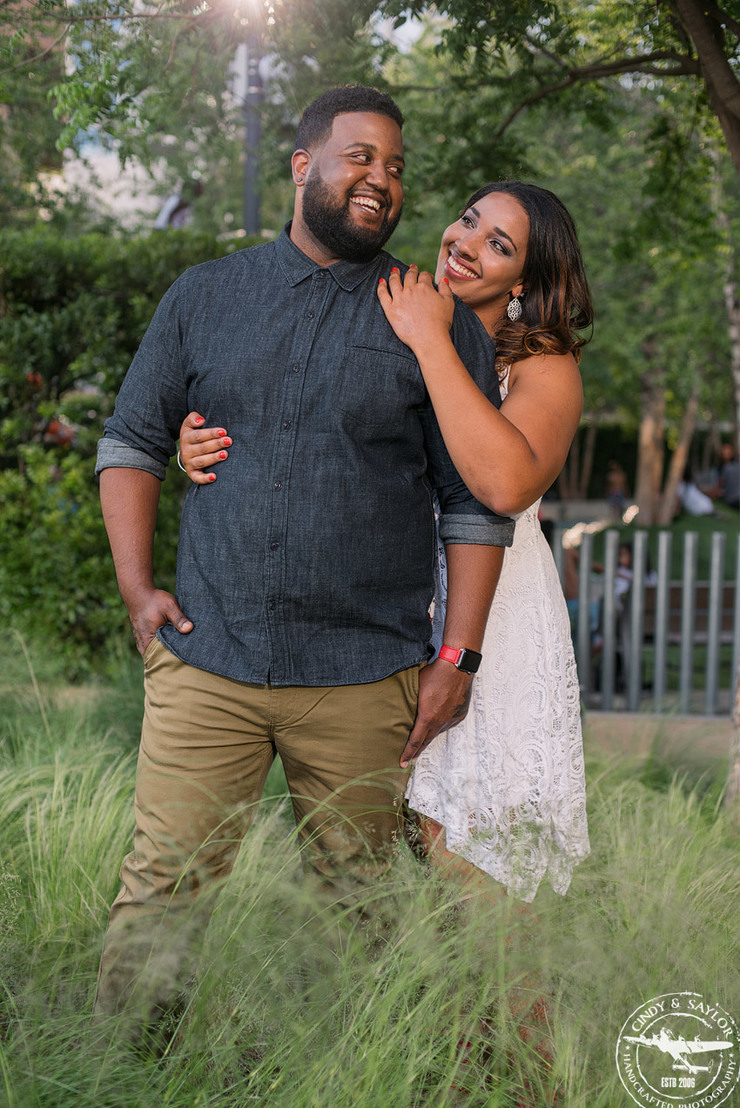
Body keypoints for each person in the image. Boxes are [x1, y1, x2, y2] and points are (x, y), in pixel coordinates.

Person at [94, 86, 514, 1031]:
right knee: (164, 889)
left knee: (357, 913)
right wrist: (137, 590)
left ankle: (347, 1075)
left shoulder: (430, 317)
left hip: (365, 677)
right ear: (302, 165)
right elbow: (130, 441)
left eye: (397, 167)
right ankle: (124, 1071)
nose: (382, 180)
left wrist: (458, 657)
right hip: (209, 659)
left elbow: (475, 508)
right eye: (361, 156)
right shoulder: (205, 295)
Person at [179, 180, 592, 904]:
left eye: (498, 244)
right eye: (468, 221)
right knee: (395, 867)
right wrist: (201, 443)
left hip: (490, 617)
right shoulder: (388, 305)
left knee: (473, 861)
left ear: (525, 281)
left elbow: (504, 485)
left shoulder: (540, 366)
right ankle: (427, 1022)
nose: (466, 243)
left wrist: (433, 341)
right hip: (381, 615)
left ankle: (519, 1020)